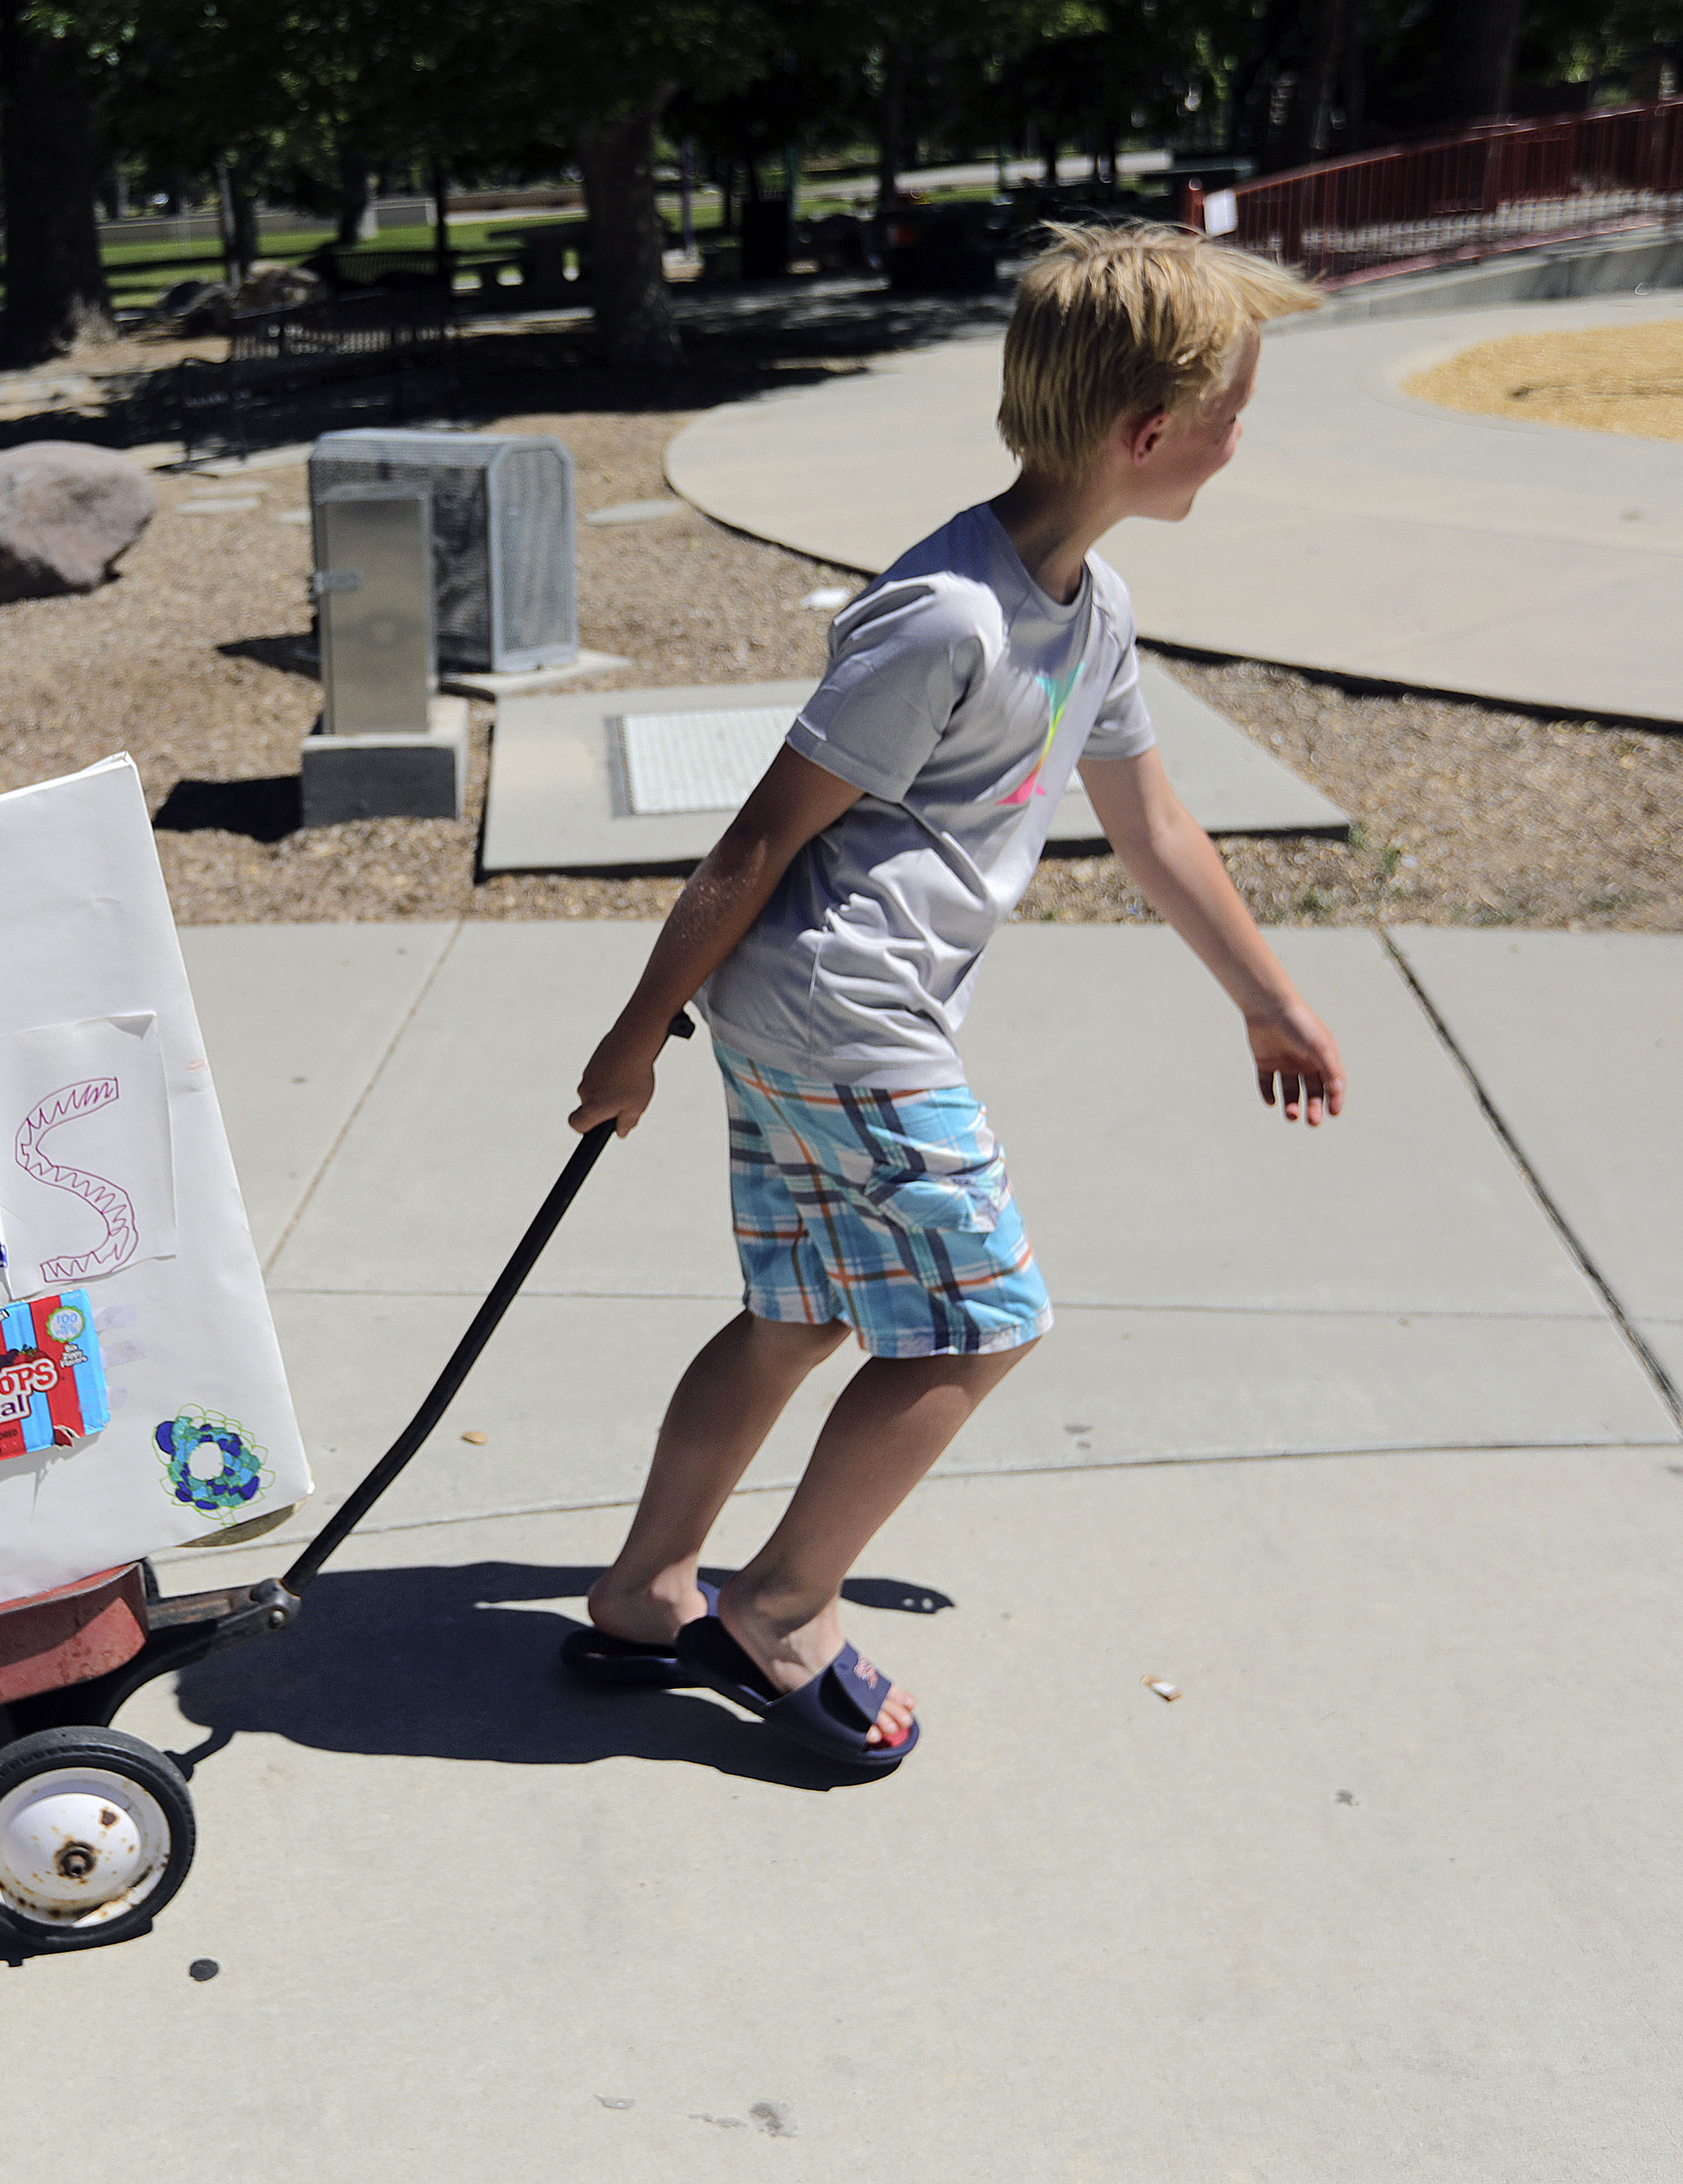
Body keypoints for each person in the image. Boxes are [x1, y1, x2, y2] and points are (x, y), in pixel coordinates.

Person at [558, 223, 1346, 1768]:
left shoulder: (1087, 606)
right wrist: (627, 1037)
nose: (1241, 438)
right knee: (982, 1323)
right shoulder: (945, 616)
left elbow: (1152, 824)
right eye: (1230, 410)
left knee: (795, 1312)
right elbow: (756, 834)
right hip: (847, 1015)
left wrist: (1263, 997)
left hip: (818, 1012)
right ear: (1143, 434)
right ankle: (779, 1607)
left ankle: (647, 1595)